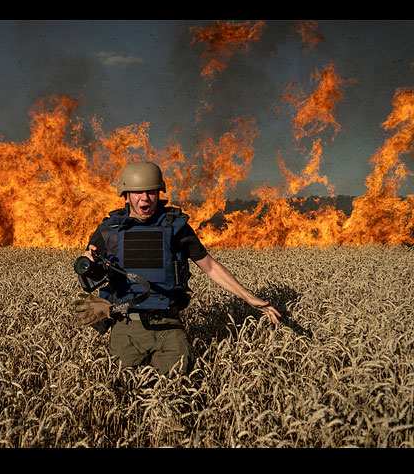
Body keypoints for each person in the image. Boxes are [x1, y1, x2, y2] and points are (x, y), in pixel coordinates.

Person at [74, 160, 281, 375]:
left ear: (159, 192)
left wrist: (248, 297)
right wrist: (88, 268)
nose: (145, 198)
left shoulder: (176, 227)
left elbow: (209, 266)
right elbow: (88, 276)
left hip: (168, 326)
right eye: (138, 192)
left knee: (177, 389)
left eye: (151, 192)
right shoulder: (108, 231)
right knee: (123, 394)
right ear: (126, 195)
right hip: (126, 328)